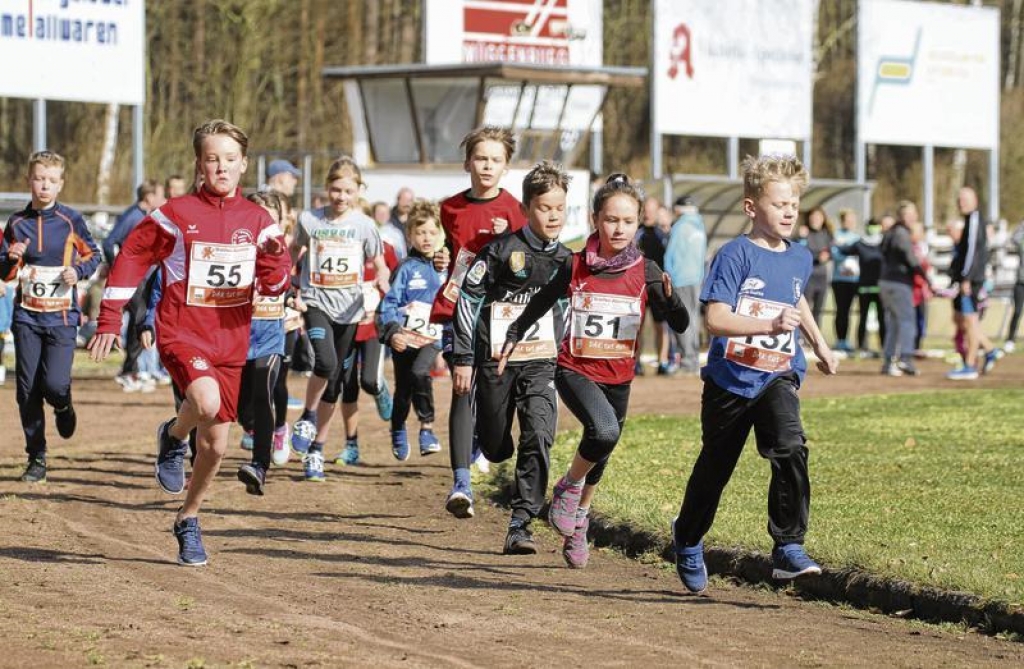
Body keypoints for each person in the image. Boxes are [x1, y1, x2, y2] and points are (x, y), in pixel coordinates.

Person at [89, 119, 291, 566]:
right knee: (204, 399)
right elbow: (132, 257)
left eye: (230, 159)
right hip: (182, 331)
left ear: (244, 164)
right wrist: (109, 318)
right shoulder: (175, 214)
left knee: (216, 446)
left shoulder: (258, 220)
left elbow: (277, 274)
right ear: (199, 164)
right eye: (212, 159)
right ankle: (175, 434)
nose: (221, 167)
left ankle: (188, 518)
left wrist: (275, 272)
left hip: (231, 340)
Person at [497, 173, 689, 569]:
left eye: (628, 221)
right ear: (595, 220)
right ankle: (567, 487)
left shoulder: (647, 270)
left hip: (619, 376)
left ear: (639, 223)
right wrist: (515, 332)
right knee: (604, 431)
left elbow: (682, 324)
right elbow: (541, 300)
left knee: (601, 448)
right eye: (611, 220)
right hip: (575, 370)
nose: (619, 229)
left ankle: (580, 520)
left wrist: (671, 301)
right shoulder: (575, 264)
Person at [671, 155, 838, 595]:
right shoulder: (734, 255)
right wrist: (769, 324)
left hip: (777, 374)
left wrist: (819, 344)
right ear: (751, 207)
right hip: (730, 380)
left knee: (790, 445)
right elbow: (716, 319)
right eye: (779, 204)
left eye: (793, 204)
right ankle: (687, 536)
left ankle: (788, 546)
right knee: (716, 468)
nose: (789, 212)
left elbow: (796, 299)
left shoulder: (800, 256)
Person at [454, 161, 573, 555]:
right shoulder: (500, 251)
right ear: (525, 209)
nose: (553, 216)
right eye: (544, 208)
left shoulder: (568, 261)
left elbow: (574, 310)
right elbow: (468, 300)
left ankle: (521, 523)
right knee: (496, 446)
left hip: (541, 363)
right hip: (495, 361)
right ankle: (490, 444)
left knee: (538, 433)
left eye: (560, 208)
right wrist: (464, 356)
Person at [429, 126, 527, 519]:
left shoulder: (516, 210)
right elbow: (448, 249)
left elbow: (527, 266)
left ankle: (480, 445)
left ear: (506, 167)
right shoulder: (449, 208)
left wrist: (510, 239)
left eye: (495, 160)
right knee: (461, 387)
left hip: (498, 314)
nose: (487, 166)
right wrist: (440, 257)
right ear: (467, 162)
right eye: (481, 158)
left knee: (491, 400)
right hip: (457, 308)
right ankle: (461, 483)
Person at [1, 150, 102, 483]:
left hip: (61, 317)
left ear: (61, 184)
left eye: (52, 180)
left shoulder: (71, 220)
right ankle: (37, 457)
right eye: (39, 178)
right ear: (29, 181)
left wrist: (78, 271)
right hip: (27, 317)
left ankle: (63, 404)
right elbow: (5, 273)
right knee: (27, 389)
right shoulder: (16, 223)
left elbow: (93, 254)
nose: (45, 185)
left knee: (55, 384)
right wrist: (11, 259)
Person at [287, 156, 390, 482]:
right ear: (326, 188)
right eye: (335, 190)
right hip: (316, 302)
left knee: (334, 384)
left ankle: (316, 450)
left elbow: (380, 262)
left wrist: (384, 279)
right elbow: (294, 249)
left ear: (358, 191)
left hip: (350, 310)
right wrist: (289, 280)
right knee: (326, 362)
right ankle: (306, 417)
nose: (341, 197)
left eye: (347, 191)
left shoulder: (364, 225)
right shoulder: (309, 219)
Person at [235, 190, 295, 495]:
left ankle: (259, 465)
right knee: (241, 409)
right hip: (236, 338)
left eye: (270, 218)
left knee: (264, 392)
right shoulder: (235, 247)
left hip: (270, 337)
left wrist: (291, 296)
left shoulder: (281, 248)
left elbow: (286, 280)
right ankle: (255, 429)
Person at [379, 200, 447, 461]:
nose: (426, 238)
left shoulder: (444, 267)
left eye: (431, 232)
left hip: (432, 337)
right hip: (405, 338)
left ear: (439, 234)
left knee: (420, 372)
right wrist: (394, 331)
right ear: (409, 235)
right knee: (403, 390)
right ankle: (397, 427)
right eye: (420, 232)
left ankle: (427, 428)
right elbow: (390, 303)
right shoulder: (406, 268)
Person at [335, 232, 400, 466]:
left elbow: (397, 282)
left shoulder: (385, 249)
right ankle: (351, 445)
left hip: (373, 327)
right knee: (348, 386)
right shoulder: (337, 247)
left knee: (369, 381)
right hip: (345, 327)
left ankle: (380, 390)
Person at [104, 179, 167, 393]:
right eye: (160, 195)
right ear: (149, 197)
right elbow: (109, 242)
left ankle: (130, 370)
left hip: (142, 279)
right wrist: (118, 270)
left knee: (137, 323)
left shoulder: (145, 216)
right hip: (133, 280)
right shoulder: (133, 216)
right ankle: (129, 371)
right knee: (141, 321)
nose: (164, 200)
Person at [947, 187, 1001, 380]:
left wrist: (966, 277)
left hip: (972, 280)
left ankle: (970, 365)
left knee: (971, 322)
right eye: (959, 199)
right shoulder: (970, 220)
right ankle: (990, 350)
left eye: (965, 199)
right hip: (969, 278)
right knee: (966, 321)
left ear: (975, 200)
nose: (961, 203)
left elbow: (973, 252)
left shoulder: (975, 220)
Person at [878, 201, 927, 376]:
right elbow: (909, 257)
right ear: (901, 216)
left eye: (914, 214)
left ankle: (888, 362)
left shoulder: (891, 232)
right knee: (907, 321)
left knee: (893, 323)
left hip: (886, 282)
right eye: (909, 214)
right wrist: (924, 275)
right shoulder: (901, 233)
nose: (913, 218)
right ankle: (906, 359)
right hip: (898, 283)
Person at [664, 195, 706, 373]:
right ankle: (693, 359)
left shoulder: (680, 226)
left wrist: (668, 277)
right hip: (696, 279)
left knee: (682, 320)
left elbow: (670, 255)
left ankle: (687, 362)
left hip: (680, 280)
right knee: (694, 320)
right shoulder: (699, 226)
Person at [836, 218, 886, 357]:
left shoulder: (884, 243)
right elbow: (844, 250)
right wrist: (835, 244)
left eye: (876, 226)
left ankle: (884, 347)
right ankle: (862, 347)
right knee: (863, 317)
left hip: (880, 287)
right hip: (864, 287)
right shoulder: (860, 243)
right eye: (871, 226)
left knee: (882, 318)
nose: (873, 229)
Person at [636, 195, 670, 374]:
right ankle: (636, 363)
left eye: (652, 211)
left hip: (658, 287)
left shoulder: (663, 235)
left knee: (660, 326)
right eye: (646, 210)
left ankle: (662, 362)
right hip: (639, 287)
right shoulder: (636, 233)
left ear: (658, 212)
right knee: (638, 327)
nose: (648, 214)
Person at [830, 209, 860, 353]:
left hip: (855, 280)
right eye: (848, 220)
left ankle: (855, 341)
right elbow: (835, 254)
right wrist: (848, 255)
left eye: (852, 220)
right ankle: (840, 340)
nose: (851, 222)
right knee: (841, 311)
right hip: (840, 280)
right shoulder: (836, 236)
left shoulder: (857, 238)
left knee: (853, 312)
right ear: (842, 221)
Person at [801, 207, 833, 327]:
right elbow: (800, 252)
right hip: (808, 277)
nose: (815, 219)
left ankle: (816, 335)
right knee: (804, 311)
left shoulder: (827, 234)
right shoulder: (804, 233)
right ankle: (801, 335)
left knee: (818, 311)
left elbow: (832, 252)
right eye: (813, 217)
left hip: (822, 277)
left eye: (818, 217)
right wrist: (817, 257)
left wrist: (827, 256)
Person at [1003, 219, 1024, 351]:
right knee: (1017, 311)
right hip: (1021, 282)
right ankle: (1010, 340)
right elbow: (1014, 238)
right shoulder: (1022, 241)